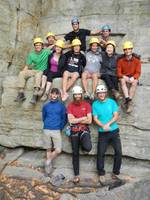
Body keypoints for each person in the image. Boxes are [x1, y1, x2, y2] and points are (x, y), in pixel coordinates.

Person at [92, 84, 122, 184]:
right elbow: (95, 118)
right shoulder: (95, 104)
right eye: (99, 93)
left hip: (113, 130)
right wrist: (103, 126)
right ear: (97, 94)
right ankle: (101, 174)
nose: (101, 94)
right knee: (100, 153)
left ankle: (115, 172)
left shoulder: (112, 102)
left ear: (105, 93)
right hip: (103, 133)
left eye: (103, 92)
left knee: (118, 152)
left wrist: (107, 124)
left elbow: (116, 115)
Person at [15, 37, 52, 104]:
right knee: (21, 73)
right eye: (36, 45)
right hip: (34, 70)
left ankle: (35, 95)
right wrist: (24, 72)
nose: (38, 46)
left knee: (38, 74)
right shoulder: (31, 54)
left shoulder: (46, 52)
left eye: (39, 45)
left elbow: (56, 49)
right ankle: (21, 93)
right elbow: (27, 66)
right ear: (34, 46)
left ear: (42, 46)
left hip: (41, 71)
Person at [67, 85, 92, 183]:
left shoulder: (87, 105)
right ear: (73, 95)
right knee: (75, 153)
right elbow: (70, 120)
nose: (77, 96)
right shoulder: (70, 106)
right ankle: (76, 175)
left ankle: (83, 146)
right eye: (76, 94)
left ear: (81, 94)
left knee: (88, 147)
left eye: (79, 94)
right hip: (74, 131)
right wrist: (82, 118)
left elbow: (89, 120)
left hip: (84, 130)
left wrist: (76, 119)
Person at [42, 88, 67, 175]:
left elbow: (64, 118)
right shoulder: (46, 106)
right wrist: (46, 124)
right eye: (52, 94)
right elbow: (44, 117)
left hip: (56, 130)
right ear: (50, 94)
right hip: (46, 129)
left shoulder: (61, 106)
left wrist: (60, 127)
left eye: (56, 94)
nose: (54, 96)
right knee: (48, 149)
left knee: (58, 149)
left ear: (58, 95)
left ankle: (48, 161)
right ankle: (48, 168)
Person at [117, 41, 141, 113]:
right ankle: (127, 98)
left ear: (131, 50)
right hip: (124, 77)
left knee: (135, 82)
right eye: (125, 49)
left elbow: (138, 72)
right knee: (122, 81)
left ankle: (129, 101)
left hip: (133, 77)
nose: (127, 51)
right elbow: (118, 72)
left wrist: (133, 78)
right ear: (124, 51)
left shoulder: (137, 61)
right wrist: (123, 77)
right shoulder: (120, 61)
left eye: (129, 49)